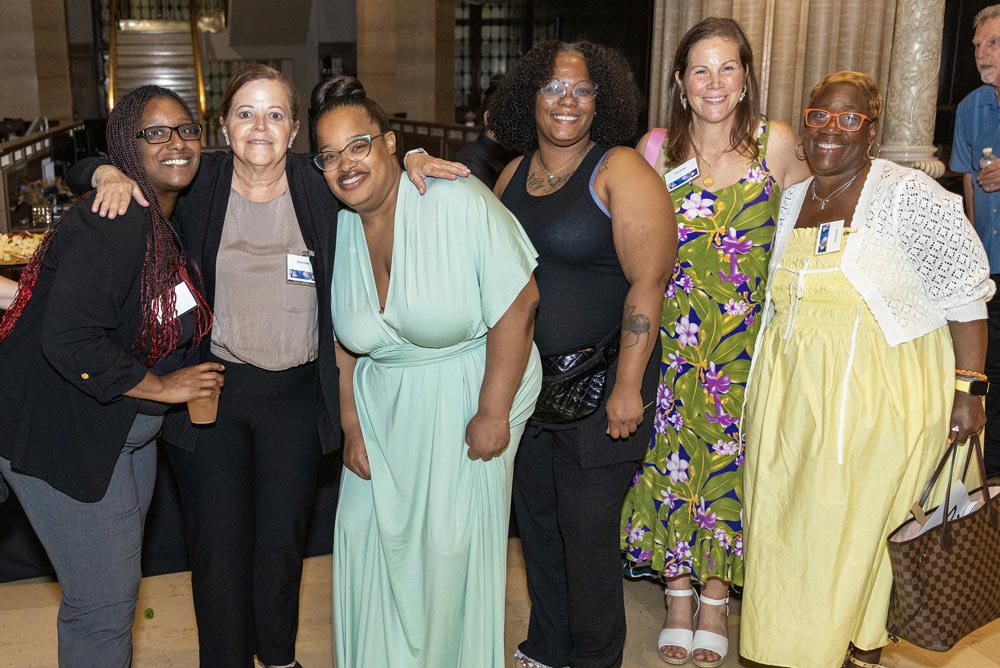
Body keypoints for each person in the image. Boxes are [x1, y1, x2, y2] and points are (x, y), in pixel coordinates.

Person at [68, 64, 467, 668]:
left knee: (281, 544)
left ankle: (278, 657)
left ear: (295, 129)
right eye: (246, 113)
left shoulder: (319, 186)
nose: (261, 126)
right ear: (224, 128)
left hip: (296, 397)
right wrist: (105, 171)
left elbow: (370, 170)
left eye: (276, 114)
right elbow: (92, 165)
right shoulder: (197, 180)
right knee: (219, 551)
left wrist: (410, 157)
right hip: (214, 394)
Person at [741, 71, 992, 668]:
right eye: (819, 115)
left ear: (871, 131)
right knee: (789, 527)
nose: (832, 128)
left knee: (855, 533)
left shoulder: (909, 195)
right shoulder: (794, 199)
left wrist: (970, 388)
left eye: (849, 118)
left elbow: (965, 295)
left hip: (880, 395)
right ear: (804, 126)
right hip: (793, 397)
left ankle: (857, 650)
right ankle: (790, 648)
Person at [314, 75, 542, 667]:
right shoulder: (337, 225)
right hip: (380, 413)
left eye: (358, 145)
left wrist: (493, 413)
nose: (345, 164)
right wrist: (351, 425)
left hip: (467, 399)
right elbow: (344, 341)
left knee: (447, 558)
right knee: (365, 547)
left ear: (390, 143)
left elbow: (519, 304)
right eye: (330, 155)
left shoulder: (454, 198)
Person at [0, 85, 224, 667]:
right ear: (128, 145)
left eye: (186, 129)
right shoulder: (116, 222)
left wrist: (405, 158)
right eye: (155, 133)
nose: (176, 143)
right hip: (65, 434)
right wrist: (165, 387)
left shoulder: (164, 210)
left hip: (122, 435)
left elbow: (275, 157)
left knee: (114, 596)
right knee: (100, 605)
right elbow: (70, 340)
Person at [617, 17, 810, 666]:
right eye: (701, 69)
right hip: (671, 345)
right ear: (679, 81)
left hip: (747, 348)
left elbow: (825, 211)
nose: (715, 82)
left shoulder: (774, 144)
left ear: (747, 76)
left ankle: (716, 598)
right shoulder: (656, 150)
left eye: (729, 67)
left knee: (731, 469)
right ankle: (676, 592)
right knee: (669, 464)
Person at [490, 40, 676, 668]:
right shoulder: (513, 174)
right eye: (552, 87)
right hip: (529, 390)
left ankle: (596, 658)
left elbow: (648, 283)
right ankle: (547, 644)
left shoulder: (618, 169)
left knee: (587, 536)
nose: (567, 101)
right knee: (538, 526)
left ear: (603, 101)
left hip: (602, 388)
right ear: (529, 98)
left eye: (583, 89)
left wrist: (628, 387)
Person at [951, 3, 1000, 480]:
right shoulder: (971, 108)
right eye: (977, 45)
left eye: (994, 43)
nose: (983, 54)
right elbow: (968, 183)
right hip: (990, 267)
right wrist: (972, 257)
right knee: (990, 373)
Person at [454, 73, 520, 189]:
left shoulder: (514, 154)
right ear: (488, 118)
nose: (514, 124)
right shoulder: (469, 161)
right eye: (508, 117)